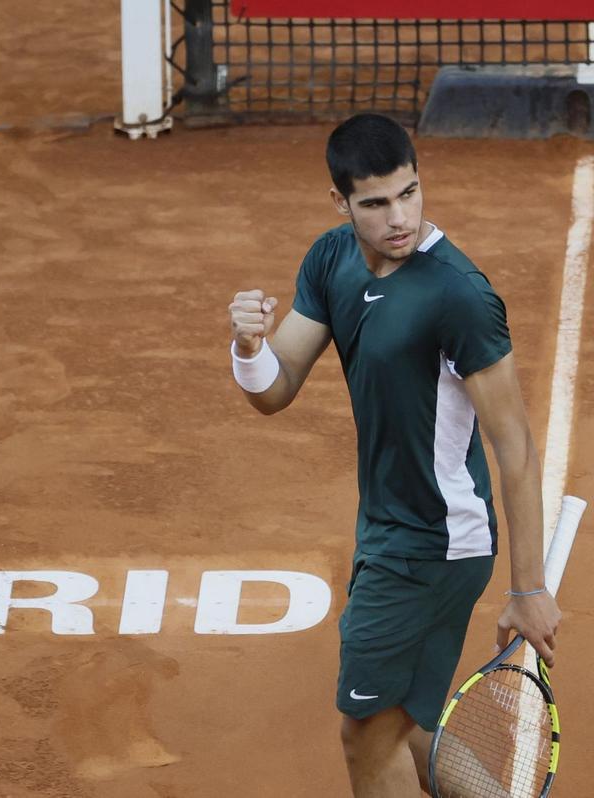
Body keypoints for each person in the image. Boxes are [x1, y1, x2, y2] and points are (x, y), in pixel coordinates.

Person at [226, 113, 562, 797]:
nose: (399, 217)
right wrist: (249, 349)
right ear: (342, 204)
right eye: (376, 203)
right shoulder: (332, 260)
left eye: (409, 193)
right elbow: (276, 389)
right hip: (389, 532)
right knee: (409, 728)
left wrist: (528, 589)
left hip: (430, 548)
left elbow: (516, 448)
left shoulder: (458, 296)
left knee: (366, 739)